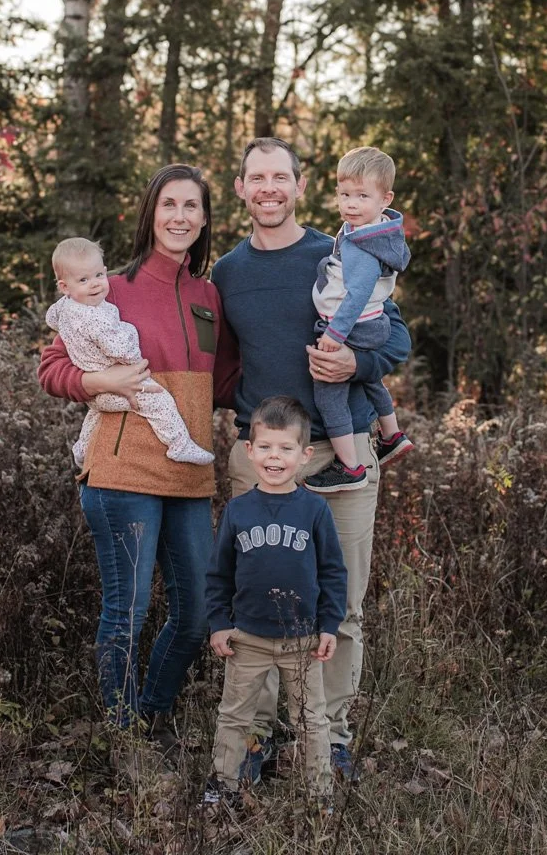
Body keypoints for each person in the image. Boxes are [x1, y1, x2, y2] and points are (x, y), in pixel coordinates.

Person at [210, 136, 411, 782]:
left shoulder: (341, 248)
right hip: (259, 459)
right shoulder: (228, 272)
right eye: (255, 178)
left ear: (299, 186)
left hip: (339, 449)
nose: (268, 188)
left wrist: (357, 361)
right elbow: (215, 362)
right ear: (241, 189)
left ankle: (329, 736)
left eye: (281, 177)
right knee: (257, 601)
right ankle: (258, 740)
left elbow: (395, 337)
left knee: (340, 604)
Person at [38, 165, 239, 759]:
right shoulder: (109, 287)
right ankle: (123, 738)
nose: (180, 216)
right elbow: (52, 369)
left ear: (204, 219)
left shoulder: (209, 296)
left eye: (192, 207)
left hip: (189, 471)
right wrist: (100, 377)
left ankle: (149, 716)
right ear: (151, 213)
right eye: (168, 204)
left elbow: (225, 378)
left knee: (199, 610)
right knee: (126, 609)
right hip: (122, 471)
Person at [202, 396, 345, 808]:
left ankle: (320, 795)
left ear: (305, 455)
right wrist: (219, 622)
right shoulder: (238, 511)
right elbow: (219, 574)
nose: (274, 458)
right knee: (234, 716)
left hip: (302, 639)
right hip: (247, 637)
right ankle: (223, 787)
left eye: (285, 449)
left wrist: (329, 625)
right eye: (265, 447)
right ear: (250, 451)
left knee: (312, 720)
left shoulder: (315, 511)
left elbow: (334, 573)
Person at [45, 236, 215, 468]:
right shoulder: (95, 316)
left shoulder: (67, 306)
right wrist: (131, 338)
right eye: (83, 280)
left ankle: (82, 448)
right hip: (119, 386)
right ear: (64, 287)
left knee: (95, 413)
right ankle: (179, 444)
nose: (95, 284)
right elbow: (122, 351)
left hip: (97, 397)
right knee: (159, 401)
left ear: (104, 271)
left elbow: (52, 317)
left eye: (98, 276)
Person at [305, 146, 415, 493]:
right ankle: (393, 434)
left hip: (354, 326)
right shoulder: (369, 231)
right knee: (369, 380)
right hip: (369, 324)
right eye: (345, 195)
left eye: (362, 196)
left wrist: (335, 335)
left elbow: (355, 296)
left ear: (386, 199)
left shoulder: (364, 248)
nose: (351, 204)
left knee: (328, 392)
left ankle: (350, 466)